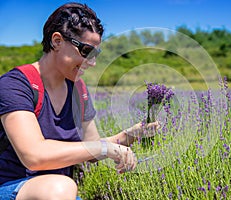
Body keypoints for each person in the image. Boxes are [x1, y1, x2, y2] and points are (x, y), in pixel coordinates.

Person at [0, 2, 159, 200]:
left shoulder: (78, 89)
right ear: (57, 41)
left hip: (60, 193)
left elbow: (91, 146)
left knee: (62, 188)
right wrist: (104, 148)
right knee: (60, 186)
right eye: (86, 51)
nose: (92, 63)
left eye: (96, 55)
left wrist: (130, 136)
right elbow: (34, 156)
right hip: (12, 187)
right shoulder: (16, 84)